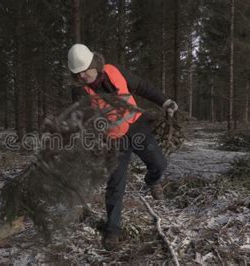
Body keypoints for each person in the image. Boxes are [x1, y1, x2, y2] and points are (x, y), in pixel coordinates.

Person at [67, 44, 178, 250]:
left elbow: (142, 86)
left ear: (94, 64)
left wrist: (164, 101)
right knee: (116, 185)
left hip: (136, 127)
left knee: (159, 164)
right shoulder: (79, 91)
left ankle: (152, 181)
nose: (82, 75)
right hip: (113, 139)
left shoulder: (114, 71)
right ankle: (112, 230)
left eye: (85, 70)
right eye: (77, 73)